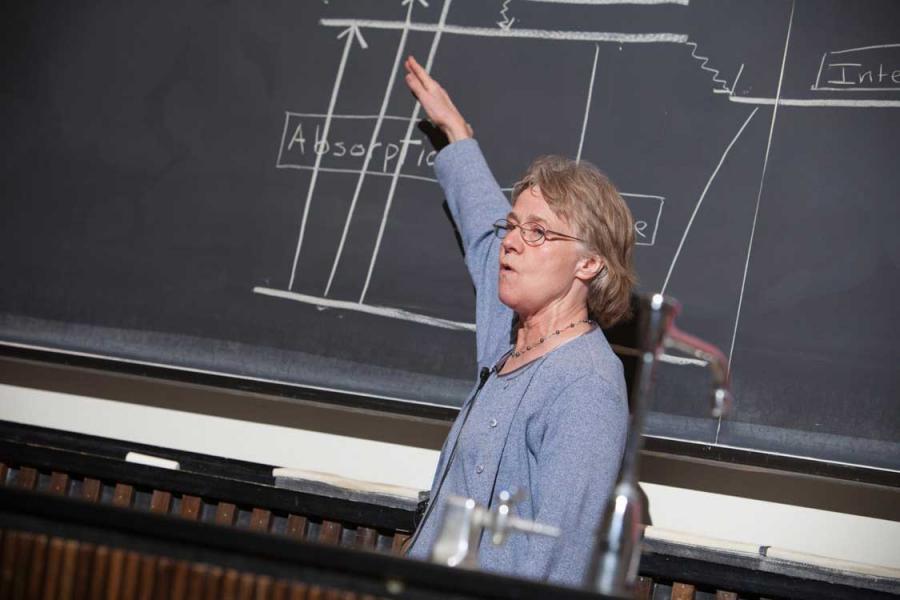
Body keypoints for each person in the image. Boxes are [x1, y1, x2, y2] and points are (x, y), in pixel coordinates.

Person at [402, 56, 636, 587]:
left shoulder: (586, 388)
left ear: (589, 263)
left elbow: (553, 564)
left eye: (537, 232)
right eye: (514, 225)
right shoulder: (509, 337)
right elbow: (485, 237)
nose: (511, 241)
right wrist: (457, 135)